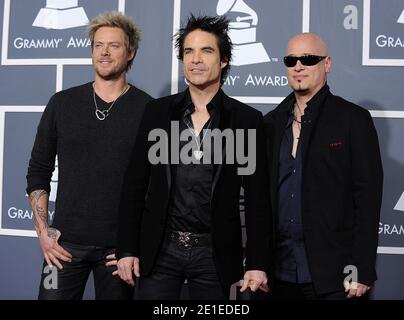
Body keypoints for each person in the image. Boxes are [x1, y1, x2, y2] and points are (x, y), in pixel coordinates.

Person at [116, 15, 271, 300]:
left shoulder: (246, 120)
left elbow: (257, 199)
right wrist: (126, 249)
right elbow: (134, 185)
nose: (196, 59)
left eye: (206, 51)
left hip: (214, 254)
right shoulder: (157, 112)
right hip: (160, 249)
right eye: (189, 51)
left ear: (224, 60)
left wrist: (258, 262)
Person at [26, 11, 152, 300]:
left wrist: (133, 245)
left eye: (114, 45)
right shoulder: (61, 103)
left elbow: (154, 183)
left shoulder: (148, 109)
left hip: (117, 253)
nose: (104, 52)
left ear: (131, 52)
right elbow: (38, 170)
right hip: (62, 248)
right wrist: (43, 232)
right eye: (98, 45)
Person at [263, 32, 383, 299]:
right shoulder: (270, 123)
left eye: (308, 58)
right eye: (291, 59)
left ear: (327, 64)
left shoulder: (354, 120)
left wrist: (361, 269)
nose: (298, 66)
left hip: (335, 276)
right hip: (277, 273)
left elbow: (368, 200)